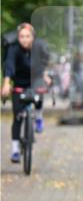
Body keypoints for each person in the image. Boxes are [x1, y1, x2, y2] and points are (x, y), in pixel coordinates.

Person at [2, 23, 51, 162]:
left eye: (27, 36)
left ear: (33, 37)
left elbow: (43, 63)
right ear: (18, 37)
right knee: (17, 117)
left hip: (35, 80)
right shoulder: (14, 49)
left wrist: (45, 75)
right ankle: (15, 150)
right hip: (19, 83)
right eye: (21, 36)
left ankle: (39, 117)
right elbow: (9, 66)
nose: (24, 39)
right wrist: (6, 83)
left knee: (40, 91)